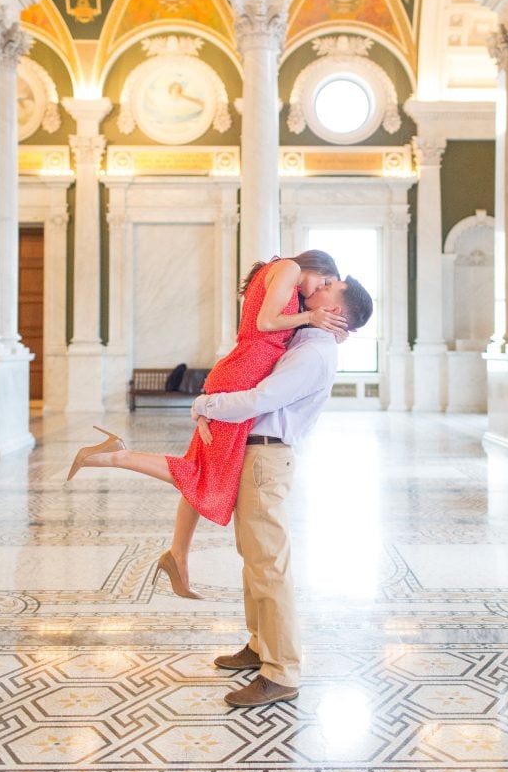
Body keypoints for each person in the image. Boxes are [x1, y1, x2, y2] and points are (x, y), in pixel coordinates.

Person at [66, 250, 346, 598]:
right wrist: (310, 315)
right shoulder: (289, 267)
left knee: (202, 470)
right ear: (316, 268)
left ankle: (177, 556)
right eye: (325, 281)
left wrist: (316, 323)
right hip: (244, 374)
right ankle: (115, 455)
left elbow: (275, 325)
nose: (319, 289)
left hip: (242, 370)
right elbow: (265, 324)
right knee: (203, 476)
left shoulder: (282, 275)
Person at [192, 275, 373, 707]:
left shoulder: (313, 351)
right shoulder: (305, 337)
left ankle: (282, 671)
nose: (320, 285)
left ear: (338, 312)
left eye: (330, 286)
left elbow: (260, 399)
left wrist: (204, 404)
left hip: (266, 459)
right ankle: (259, 646)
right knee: (254, 559)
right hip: (255, 456)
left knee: (269, 565)